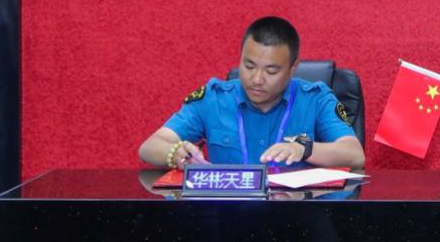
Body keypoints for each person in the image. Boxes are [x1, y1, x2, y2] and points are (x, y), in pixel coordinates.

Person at [138, 16, 365, 170]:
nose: (257, 79)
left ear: (293, 67)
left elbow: (354, 154)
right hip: (226, 214)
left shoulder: (316, 99)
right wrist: (175, 152)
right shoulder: (214, 98)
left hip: (296, 215)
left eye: (271, 71)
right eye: (248, 66)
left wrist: (304, 149)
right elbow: (149, 147)